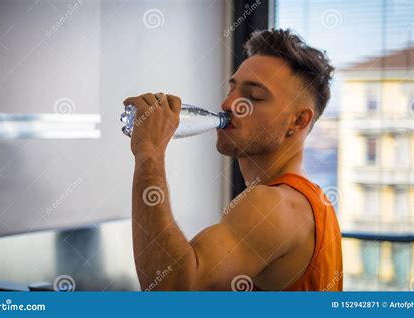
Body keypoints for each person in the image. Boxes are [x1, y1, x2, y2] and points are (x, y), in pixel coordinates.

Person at [123, 28, 342, 291]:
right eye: (232, 89)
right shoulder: (310, 201)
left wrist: (150, 154)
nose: (228, 104)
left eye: (254, 96)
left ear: (298, 121)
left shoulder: (276, 205)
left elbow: (171, 289)